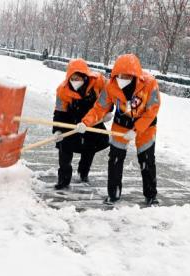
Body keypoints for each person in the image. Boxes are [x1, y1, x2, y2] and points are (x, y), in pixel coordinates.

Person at [79, 54, 161, 205]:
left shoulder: (149, 83)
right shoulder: (111, 86)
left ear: (135, 75)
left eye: (127, 76)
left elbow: (152, 110)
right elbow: (99, 108)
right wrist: (85, 122)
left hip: (145, 126)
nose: (122, 78)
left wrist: (137, 129)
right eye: (120, 75)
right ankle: (114, 193)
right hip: (121, 124)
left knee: (147, 159)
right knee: (115, 158)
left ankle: (151, 195)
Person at [52, 59, 110, 189]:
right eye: (72, 78)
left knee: (89, 149)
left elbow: (110, 96)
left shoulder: (98, 82)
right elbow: (59, 112)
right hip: (70, 122)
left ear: (85, 76)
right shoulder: (63, 90)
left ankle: (83, 173)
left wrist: (107, 112)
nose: (75, 81)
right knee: (64, 149)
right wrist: (57, 130)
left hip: (93, 121)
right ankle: (64, 179)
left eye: (77, 78)